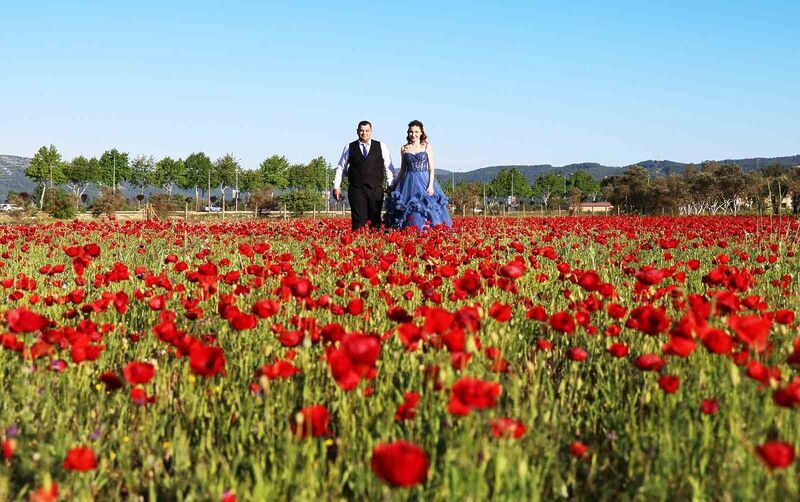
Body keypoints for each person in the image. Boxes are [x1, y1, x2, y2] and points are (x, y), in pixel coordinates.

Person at [383, 120, 453, 230]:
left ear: (421, 133)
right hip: (408, 182)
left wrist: (430, 185)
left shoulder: (427, 147)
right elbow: (402, 170)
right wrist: (393, 184)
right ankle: (410, 231)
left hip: (424, 181)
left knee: (424, 207)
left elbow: (431, 169)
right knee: (409, 209)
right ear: (408, 133)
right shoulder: (404, 148)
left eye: (416, 132)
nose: (413, 134)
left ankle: (424, 231)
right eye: (411, 132)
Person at [332, 121, 395, 231]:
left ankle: (374, 245)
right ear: (357, 131)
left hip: (375, 190)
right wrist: (336, 186)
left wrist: (391, 185)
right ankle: (358, 244)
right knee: (358, 221)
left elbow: (389, 168)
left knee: (375, 221)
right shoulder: (349, 147)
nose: (364, 133)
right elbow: (341, 167)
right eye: (361, 130)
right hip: (356, 190)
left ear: (371, 131)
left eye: (367, 131)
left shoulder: (381, 146)